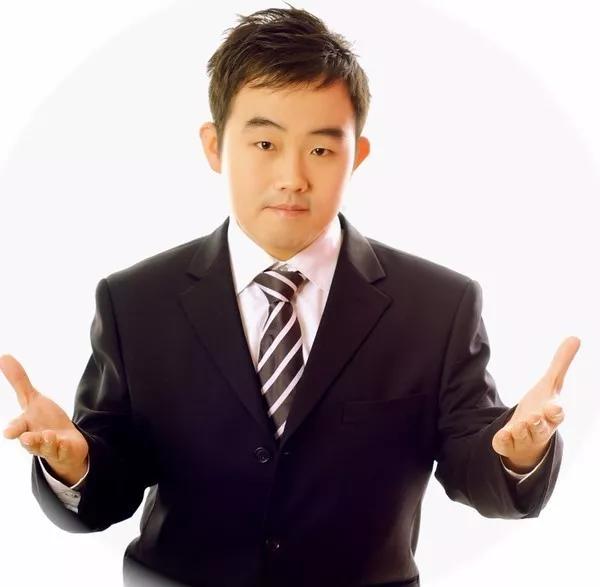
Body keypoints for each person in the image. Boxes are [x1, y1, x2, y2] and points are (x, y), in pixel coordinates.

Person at [0, 4, 580, 586]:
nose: (293, 178)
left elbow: (470, 461)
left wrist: (517, 453)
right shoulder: (135, 301)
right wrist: (74, 464)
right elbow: (112, 481)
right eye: (264, 144)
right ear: (214, 146)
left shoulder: (437, 306)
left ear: (357, 156)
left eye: (321, 150)